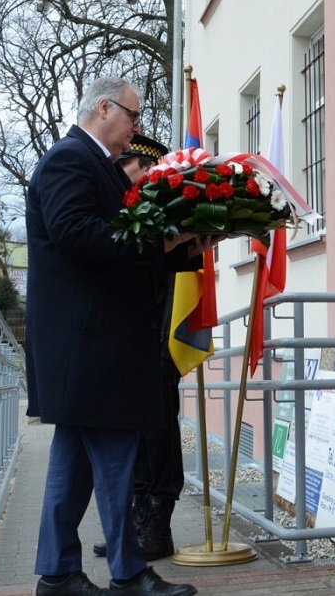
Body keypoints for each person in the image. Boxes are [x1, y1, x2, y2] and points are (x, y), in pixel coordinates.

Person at [25, 78, 205, 596]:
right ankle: (128, 573)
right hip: (93, 348)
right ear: (104, 108)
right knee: (115, 465)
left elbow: (115, 244)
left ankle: (57, 573)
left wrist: (185, 242)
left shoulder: (92, 162)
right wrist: (159, 238)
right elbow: (78, 235)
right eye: (133, 116)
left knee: (73, 467)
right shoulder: (70, 159)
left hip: (89, 349)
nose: (136, 129)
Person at [93, 132, 185, 562]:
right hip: (133, 347)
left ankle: (157, 527)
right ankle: (133, 521)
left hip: (160, 346)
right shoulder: (126, 218)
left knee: (158, 436)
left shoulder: (165, 218)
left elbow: (173, 290)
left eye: (148, 170)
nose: (143, 177)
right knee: (135, 438)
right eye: (137, 169)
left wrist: (165, 353)